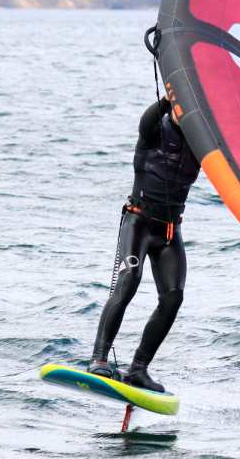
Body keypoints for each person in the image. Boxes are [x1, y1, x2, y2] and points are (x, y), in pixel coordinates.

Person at [88, 95, 200, 392]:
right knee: (129, 281)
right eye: (180, 107)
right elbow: (150, 117)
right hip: (138, 223)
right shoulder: (154, 129)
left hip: (168, 232)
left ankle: (138, 369)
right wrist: (168, 100)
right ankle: (98, 359)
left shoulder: (201, 144)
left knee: (173, 297)